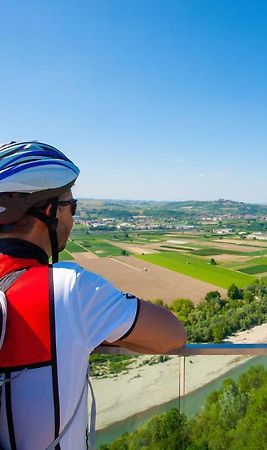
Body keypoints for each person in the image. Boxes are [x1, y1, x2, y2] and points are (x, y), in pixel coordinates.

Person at [0, 141, 187, 449]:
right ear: (49, 212)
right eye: (71, 207)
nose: (72, 219)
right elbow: (172, 335)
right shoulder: (71, 290)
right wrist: (84, 330)